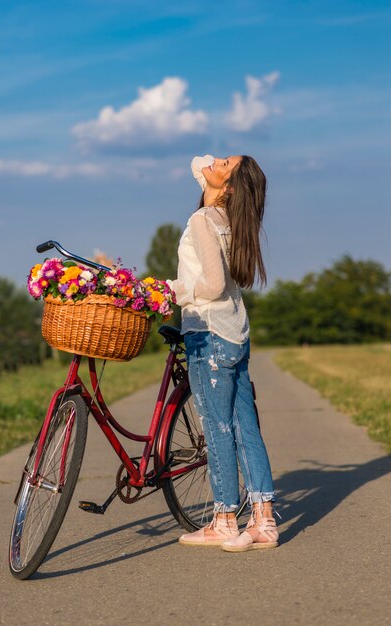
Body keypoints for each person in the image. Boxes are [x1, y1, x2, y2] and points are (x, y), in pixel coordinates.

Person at [166, 154, 279, 552]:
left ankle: (225, 519)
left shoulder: (202, 221)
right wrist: (220, 173)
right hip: (236, 333)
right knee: (245, 426)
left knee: (217, 428)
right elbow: (198, 164)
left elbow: (212, 285)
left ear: (229, 187)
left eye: (225, 162)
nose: (214, 158)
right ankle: (264, 521)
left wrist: (175, 292)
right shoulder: (232, 221)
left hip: (208, 332)